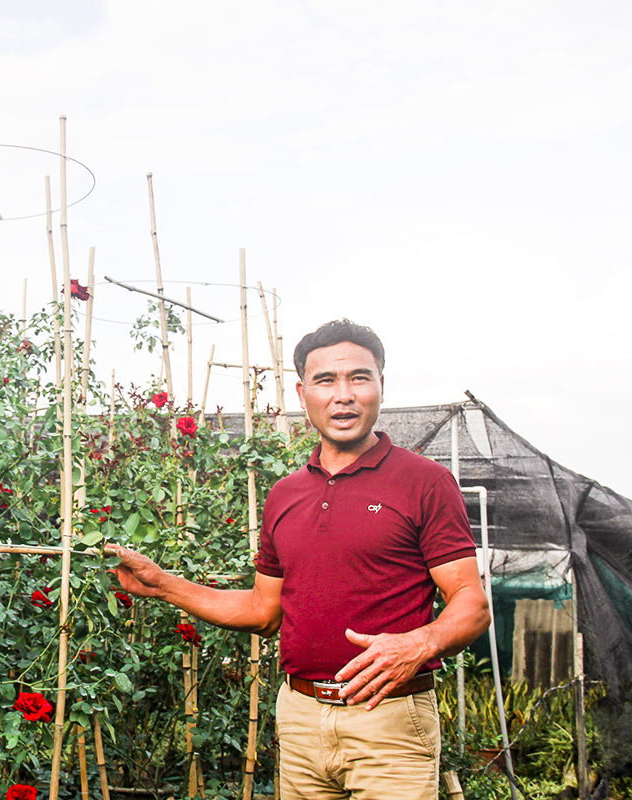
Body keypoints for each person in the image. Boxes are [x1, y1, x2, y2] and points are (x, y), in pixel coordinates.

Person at [105, 319, 490, 799]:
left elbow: (471, 604)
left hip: (389, 719)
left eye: (359, 378)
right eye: (326, 381)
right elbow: (263, 612)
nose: (343, 395)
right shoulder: (285, 495)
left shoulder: (424, 483)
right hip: (301, 717)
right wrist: (163, 584)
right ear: (303, 391)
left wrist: (418, 643)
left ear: (381, 387)